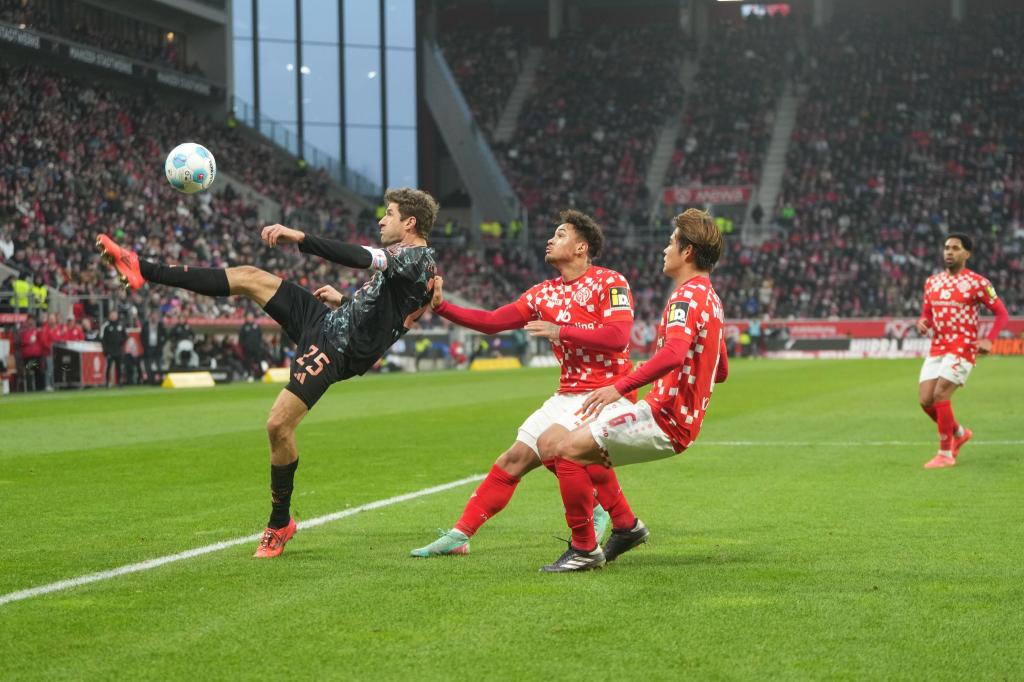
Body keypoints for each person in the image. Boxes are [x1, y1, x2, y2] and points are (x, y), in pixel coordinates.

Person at [96, 187, 439, 558]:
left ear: (409, 222)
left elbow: (360, 259)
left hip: (337, 351)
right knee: (248, 276)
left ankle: (279, 523)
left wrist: (300, 238)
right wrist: (345, 300)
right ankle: (140, 266)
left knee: (278, 425)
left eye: (388, 213)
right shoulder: (417, 266)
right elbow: (391, 309)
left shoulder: (416, 259)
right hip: (326, 321)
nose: (381, 219)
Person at [410, 210, 636, 558]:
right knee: (513, 458)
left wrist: (561, 332)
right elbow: (491, 322)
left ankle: (598, 517)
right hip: (568, 394)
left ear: (581, 247)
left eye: (560, 234)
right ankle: (460, 536)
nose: (550, 239)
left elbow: (618, 336)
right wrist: (442, 308)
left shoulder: (610, 282)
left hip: (607, 393)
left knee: (557, 447)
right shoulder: (542, 294)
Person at [536, 209, 729, 572]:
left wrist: (618, 387)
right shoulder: (712, 298)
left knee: (564, 452)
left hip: (664, 416)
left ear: (687, 252)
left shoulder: (685, 298)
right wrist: (696, 382)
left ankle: (584, 550)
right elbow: (721, 369)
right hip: (678, 417)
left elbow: (673, 354)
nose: (665, 249)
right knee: (558, 444)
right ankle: (625, 526)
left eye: (671, 242)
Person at [915, 233, 1009, 469]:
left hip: (963, 346)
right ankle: (959, 432)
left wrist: (989, 340)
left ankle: (945, 454)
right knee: (926, 401)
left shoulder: (979, 283)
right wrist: (923, 322)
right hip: (938, 346)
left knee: (940, 395)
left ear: (966, 254)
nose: (949, 252)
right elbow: (927, 313)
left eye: (955, 248)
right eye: (946, 247)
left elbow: (1002, 314)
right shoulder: (932, 282)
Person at [100, 309, 127, 388]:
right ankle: (107, 382)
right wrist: (105, 350)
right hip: (110, 350)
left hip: (118, 349)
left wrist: (120, 342)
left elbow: (125, 336)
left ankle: (119, 382)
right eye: (112, 314)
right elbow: (103, 339)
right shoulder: (106, 326)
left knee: (119, 367)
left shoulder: (120, 325)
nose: (113, 316)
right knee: (109, 366)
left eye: (115, 314)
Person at [140, 310, 167, 384]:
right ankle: (150, 379)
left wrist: (161, 344)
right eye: (153, 315)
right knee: (148, 364)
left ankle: (161, 379)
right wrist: (145, 345)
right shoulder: (145, 325)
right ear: (150, 316)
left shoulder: (160, 325)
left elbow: (165, 335)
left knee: (159, 363)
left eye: (156, 315)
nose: (154, 317)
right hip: (148, 347)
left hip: (158, 347)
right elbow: (142, 337)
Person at [238, 312, 265, 379]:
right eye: (249, 317)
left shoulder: (256, 326)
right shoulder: (244, 327)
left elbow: (260, 336)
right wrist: (245, 345)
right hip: (248, 349)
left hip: (256, 348)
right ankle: (250, 375)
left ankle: (261, 375)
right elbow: (241, 339)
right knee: (249, 362)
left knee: (259, 361)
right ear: (246, 318)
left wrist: (259, 344)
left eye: (251, 317)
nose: (250, 318)